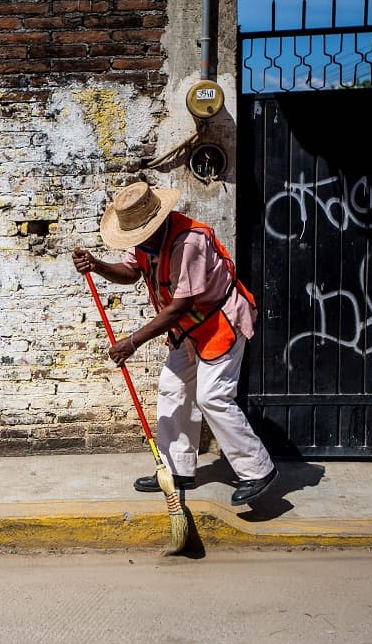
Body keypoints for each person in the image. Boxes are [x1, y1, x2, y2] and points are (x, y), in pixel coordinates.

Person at [72, 181, 278, 506]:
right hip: (185, 329)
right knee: (173, 389)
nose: (138, 242)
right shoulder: (143, 239)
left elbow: (181, 304)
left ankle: (257, 470)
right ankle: (177, 469)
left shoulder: (190, 241)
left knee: (212, 396)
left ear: (158, 221)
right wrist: (97, 266)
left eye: (141, 235)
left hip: (218, 322)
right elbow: (131, 272)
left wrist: (133, 341)